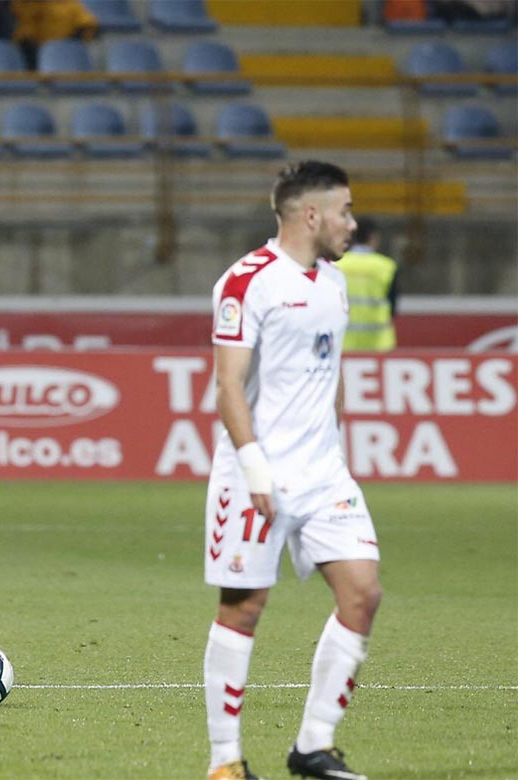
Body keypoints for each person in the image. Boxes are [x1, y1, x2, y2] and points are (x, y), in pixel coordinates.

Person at [203, 161, 381, 780]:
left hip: (324, 473)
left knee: (363, 593)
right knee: (244, 607)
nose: (353, 223)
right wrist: (254, 468)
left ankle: (313, 747)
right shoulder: (246, 282)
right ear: (312, 215)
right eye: (346, 211)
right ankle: (225, 763)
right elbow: (227, 387)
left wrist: (338, 453)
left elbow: (330, 374)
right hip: (256, 472)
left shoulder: (335, 283)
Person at [336, 217, 398, 352]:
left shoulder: (337, 265)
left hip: (344, 343)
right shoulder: (386, 266)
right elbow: (393, 306)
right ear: (373, 237)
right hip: (379, 344)